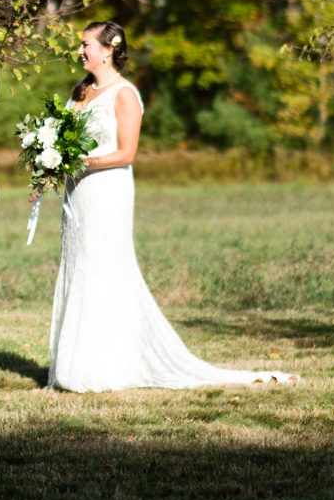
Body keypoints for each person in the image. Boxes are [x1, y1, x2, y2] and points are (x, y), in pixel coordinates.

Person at [48, 21, 298, 391]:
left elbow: (126, 152)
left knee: (103, 267)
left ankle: (103, 366)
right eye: (81, 45)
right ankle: (73, 363)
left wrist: (83, 163)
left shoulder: (125, 94)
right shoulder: (79, 91)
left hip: (106, 191)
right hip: (78, 196)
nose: (80, 50)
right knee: (78, 264)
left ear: (108, 49)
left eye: (86, 44)